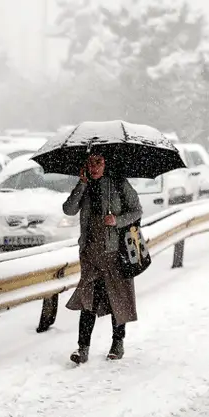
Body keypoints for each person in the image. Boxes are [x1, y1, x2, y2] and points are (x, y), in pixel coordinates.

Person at [62, 152, 143, 364]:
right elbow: (68, 209)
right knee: (88, 300)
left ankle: (118, 342)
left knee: (118, 298)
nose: (94, 167)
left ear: (106, 163)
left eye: (99, 162)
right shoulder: (85, 185)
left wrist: (117, 219)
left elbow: (137, 211)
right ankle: (83, 348)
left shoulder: (118, 183)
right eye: (91, 163)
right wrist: (81, 184)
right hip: (91, 253)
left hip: (116, 253)